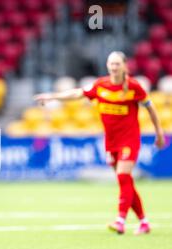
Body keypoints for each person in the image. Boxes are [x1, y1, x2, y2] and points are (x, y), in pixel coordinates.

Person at [34, 51, 166, 235]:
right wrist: (52, 96)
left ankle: (120, 220)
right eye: (111, 64)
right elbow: (77, 93)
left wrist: (159, 133)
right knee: (125, 181)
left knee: (122, 176)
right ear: (107, 65)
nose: (114, 67)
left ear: (124, 66)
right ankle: (144, 222)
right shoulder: (101, 85)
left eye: (117, 64)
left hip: (129, 140)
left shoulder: (134, 87)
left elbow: (150, 108)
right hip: (111, 142)